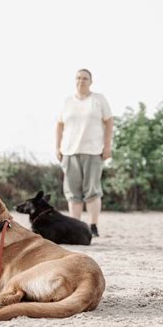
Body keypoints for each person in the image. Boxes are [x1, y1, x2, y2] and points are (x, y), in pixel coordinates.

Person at [55, 69, 114, 237]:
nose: (81, 81)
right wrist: (57, 147)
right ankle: (77, 225)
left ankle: (93, 225)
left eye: (85, 78)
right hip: (70, 151)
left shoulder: (98, 100)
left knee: (92, 190)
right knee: (73, 192)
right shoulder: (67, 101)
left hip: (93, 150)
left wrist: (107, 145)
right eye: (78, 78)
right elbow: (59, 125)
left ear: (91, 81)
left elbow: (109, 121)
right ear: (75, 80)